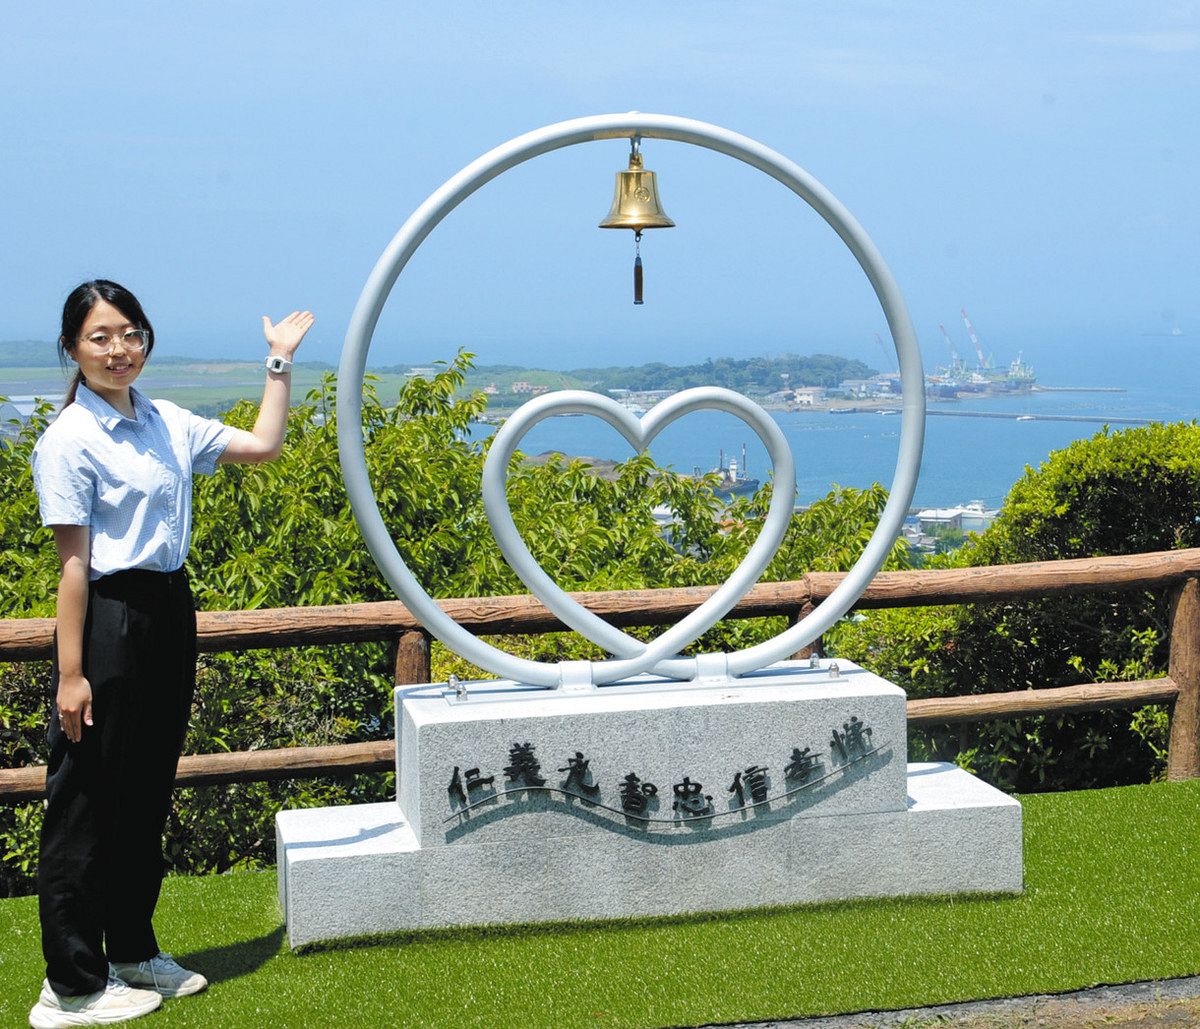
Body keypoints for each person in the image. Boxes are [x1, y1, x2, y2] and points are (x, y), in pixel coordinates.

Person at [27, 280, 313, 1028]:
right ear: (72, 348)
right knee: (84, 799)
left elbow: (264, 445)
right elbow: (72, 569)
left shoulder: (164, 420)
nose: (118, 349)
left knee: (145, 790)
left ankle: (131, 949)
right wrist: (70, 673)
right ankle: (72, 984)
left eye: (130, 333)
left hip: (166, 609)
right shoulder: (68, 440)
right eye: (100, 336)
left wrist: (277, 365)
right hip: (107, 616)